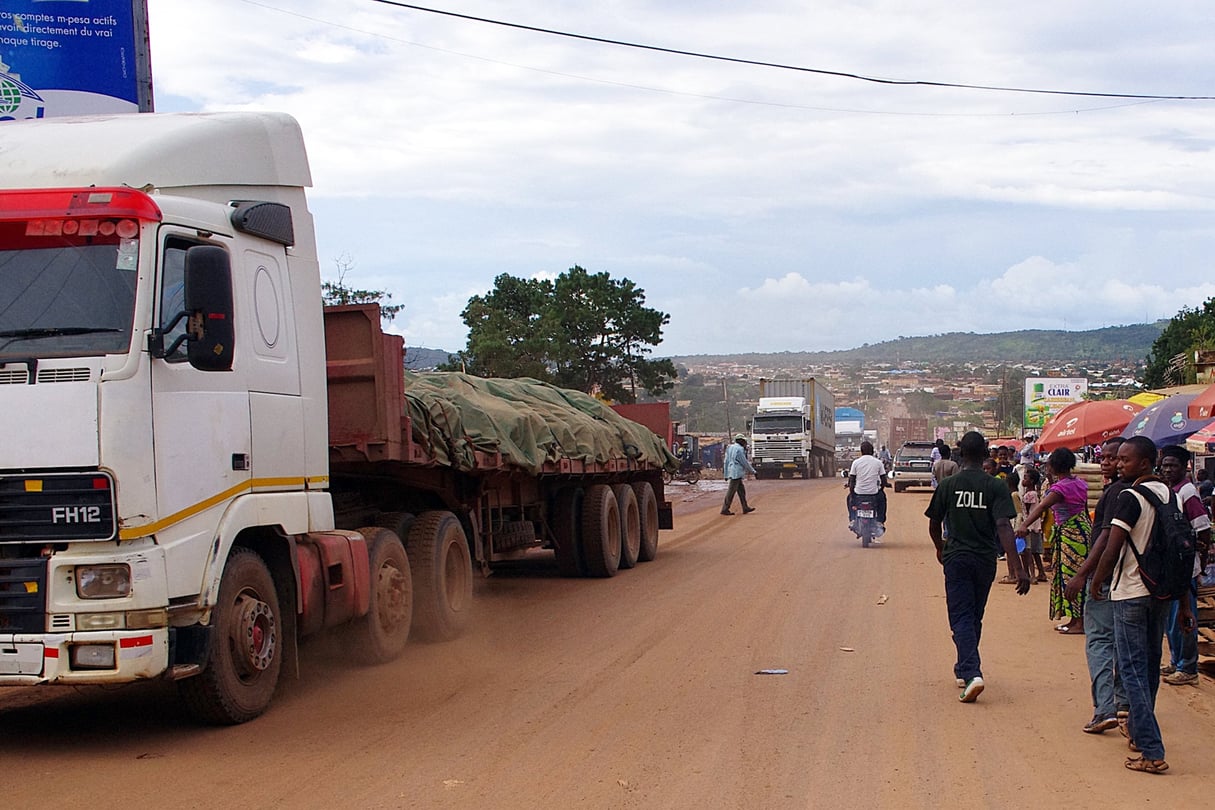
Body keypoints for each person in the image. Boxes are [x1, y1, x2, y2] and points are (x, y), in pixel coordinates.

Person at [1090, 436, 1195, 774]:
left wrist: (1095, 582)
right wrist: (1185, 603)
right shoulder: (1172, 496)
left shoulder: (1129, 498)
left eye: (1125, 459)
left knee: (1133, 670)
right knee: (1150, 668)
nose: (1119, 464)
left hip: (1131, 592)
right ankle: (1137, 732)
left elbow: (1112, 546)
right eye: (1118, 458)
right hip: (1161, 594)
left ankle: (1151, 749)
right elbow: (1179, 552)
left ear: (1145, 463)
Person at [925, 431, 1031, 703]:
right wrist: (1018, 567)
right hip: (984, 560)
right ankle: (964, 667)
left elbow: (934, 522)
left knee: (960, 616)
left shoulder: (948, 485)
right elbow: (1004, 526)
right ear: (986, 454)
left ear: (960, 453)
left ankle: (972, 672)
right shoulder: (995, 486)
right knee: (974, 615)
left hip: (957, 558)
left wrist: (940, 547)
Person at [1063, 437, 1129, 735]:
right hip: (1132, 582)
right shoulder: (1147, 491)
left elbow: (1105, 538)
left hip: (1107, 578)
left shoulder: (1117, 493)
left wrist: (1085, 575)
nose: (1106, 463)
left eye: (1114, 458)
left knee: (1100, 641)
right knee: (1124, 643)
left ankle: (1105, 708)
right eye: (1104, 458)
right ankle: (1125, 702)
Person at [1017, 447, 1090, 635]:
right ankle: (1076, 619)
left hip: (1068, 536)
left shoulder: (1059, 489)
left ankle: (1078, 622)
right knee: (1076, 575)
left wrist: (1024, 526)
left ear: (1054, 466)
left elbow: (1041, 507)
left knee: (1069, 577)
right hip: (1082, 533)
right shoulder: (1080, 483)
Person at [1158, 445, 1210, 687]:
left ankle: (1188, 666)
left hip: (1185, 566)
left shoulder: (1187, 492)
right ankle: (1177, 661)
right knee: (1172, 619)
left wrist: (1200, 559)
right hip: (1172, 565)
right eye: (1165, 465)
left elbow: (1202, 527)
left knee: (1185, 617)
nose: (1167, 470)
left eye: (1173, 466)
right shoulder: (1172, 490)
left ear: (1185, 467)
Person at [847, 440, 888, 539]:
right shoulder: (878, 463)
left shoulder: (856, 463)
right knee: (882, 499)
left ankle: (852, 519)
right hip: (874, 495)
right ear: (872, 451)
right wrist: (882, 488)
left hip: (859, 494)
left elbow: (852, 480)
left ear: (861, 451)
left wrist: (852, 493)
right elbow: (883, 479)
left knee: (849, 499)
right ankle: (879, 521)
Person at [1018, 466, 1049, 583]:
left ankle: (1030, 575)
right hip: (1036, 525)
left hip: (1029, 526)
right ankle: (1041, 573)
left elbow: (1026, 511)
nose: (1023, 480)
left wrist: (1023, 524)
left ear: (1031, 481)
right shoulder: (1035, 493)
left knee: (1027, 550)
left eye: (1025, 478)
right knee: (1035, 551)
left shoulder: (1028, 495)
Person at [721, 434, 756, 516]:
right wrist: (752, 471)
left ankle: (745, 507)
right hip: (736, 473)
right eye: (744, 441)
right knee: (731, 492)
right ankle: (725, 509)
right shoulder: (739, 449)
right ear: (741, 441)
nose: (745, 443)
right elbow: (744, 462)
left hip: (732, 472)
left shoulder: (730, 448)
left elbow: (726, 461)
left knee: (741, 491)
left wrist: (726, 474)